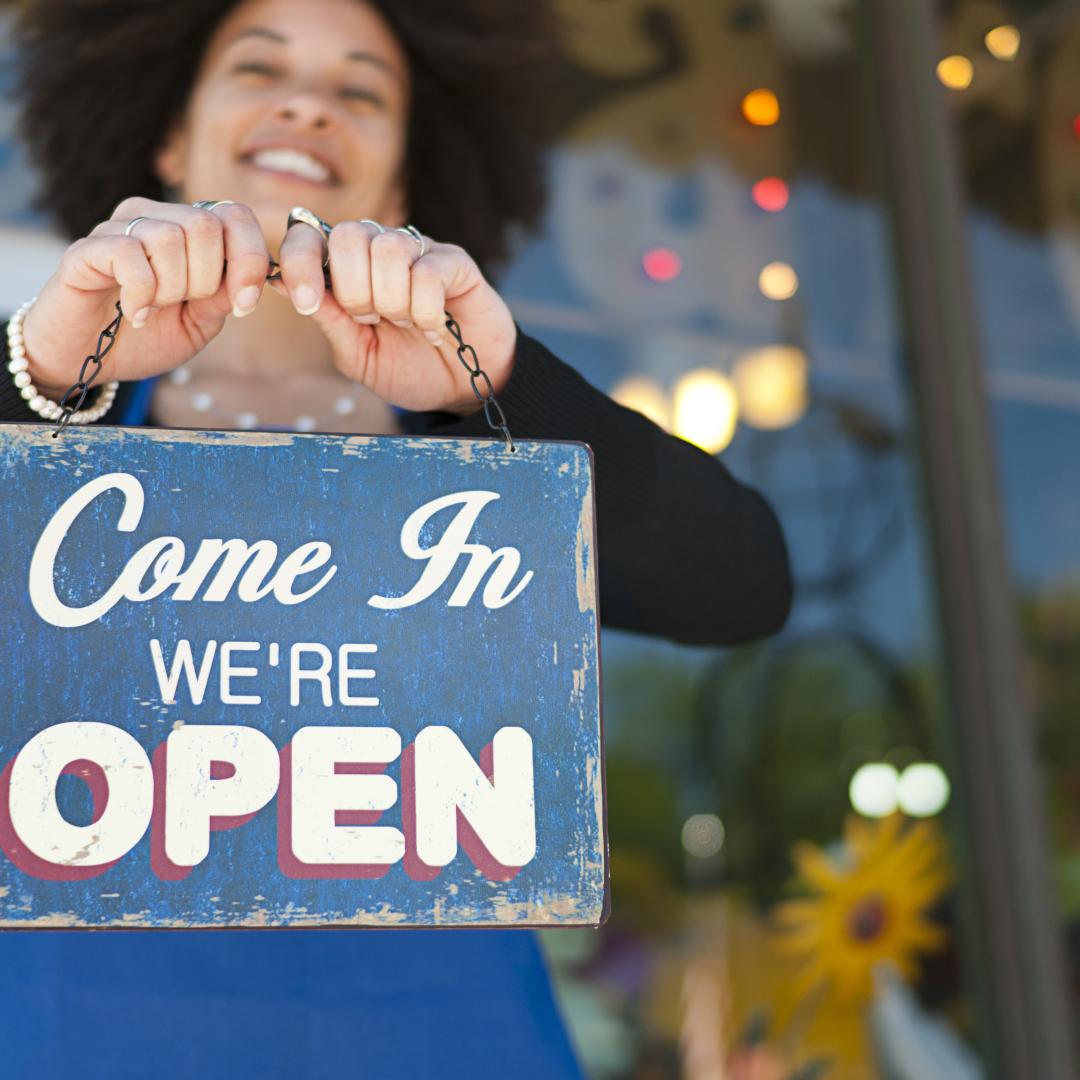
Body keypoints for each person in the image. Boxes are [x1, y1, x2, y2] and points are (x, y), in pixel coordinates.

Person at [0, 0, 794, 1075]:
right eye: (259, 66)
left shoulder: (472, 430)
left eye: (361, 91)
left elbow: (741, 586)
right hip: (85, 1037)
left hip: (441, 1039)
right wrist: (42, 376)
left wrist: (502, 383)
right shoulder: (58, 399)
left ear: (407, 178)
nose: (307, 104)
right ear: (171, 139)